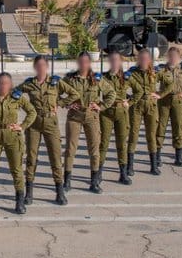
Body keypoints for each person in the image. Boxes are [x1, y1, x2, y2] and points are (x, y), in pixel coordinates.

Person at [0, 72, 36, 215]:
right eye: (0, 83)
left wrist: (22, 126)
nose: (3, 85)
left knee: (16, 170)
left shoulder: (17, 98)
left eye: (6, 83)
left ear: (10, 85)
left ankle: (20, 202)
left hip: (12, 137)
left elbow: (32, 112)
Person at [17, 55, 65, 204]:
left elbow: (74, 94)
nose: (41, 68)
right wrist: (25, 108)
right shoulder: (29, 84)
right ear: (35, 67)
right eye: (38, 65)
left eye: (43, 65)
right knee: (31, 158)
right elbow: (14, 95)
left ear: (47, 67)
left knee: (55, 157)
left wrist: (60, 103)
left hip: (51, 122)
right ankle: (29, 193)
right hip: (34, 124)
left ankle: (60, 192)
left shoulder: (55, 82)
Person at [59, 52, 110, 192]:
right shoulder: (70, 79)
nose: (83, 64)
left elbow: (111, 94)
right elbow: (55, 93)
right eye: (81, 61)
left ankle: (94, 182)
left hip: (91, 116)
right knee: (70, 149)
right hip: (74, 116)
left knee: (94, 150)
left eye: (86, 62)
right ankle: (67, 181)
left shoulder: (96, 79)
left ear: (89, 63)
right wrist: (66, 104)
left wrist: (101, 107)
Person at [127, 49, 169, 175]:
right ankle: (130, 166)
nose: (144, 61)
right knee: (133, 135)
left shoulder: (155, 72)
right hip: (136, 107)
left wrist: (160, 94)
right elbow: (120, 86)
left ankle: (153, 165)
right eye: (142, 58)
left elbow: (170, 83)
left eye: (146, 58)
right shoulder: (132, 73)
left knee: (151, 136)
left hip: (151, 107)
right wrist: (128, 98)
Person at [156, 47, 182, 167]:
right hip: (164, 101)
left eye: (175, 56)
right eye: (171, 56)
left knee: (178, 128)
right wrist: (156, 94)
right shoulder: (161, 70)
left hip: (178, 101)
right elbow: (151, 81)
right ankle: (157, 156)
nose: (173, 58)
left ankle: (178, 156)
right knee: (160, 127)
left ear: (179, 58)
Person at [99, 51, 132, 184]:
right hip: (106, 113)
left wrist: (129, 102)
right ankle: (98, 173)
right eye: (112, 60)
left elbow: (141, 90)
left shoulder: (127, 77)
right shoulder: (102, 77)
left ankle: (123, 173)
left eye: (117, 60)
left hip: (121, 113)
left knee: (121, 144)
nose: (114, 62)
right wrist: (98, 105)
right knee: (103, 143)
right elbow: (94, 92)